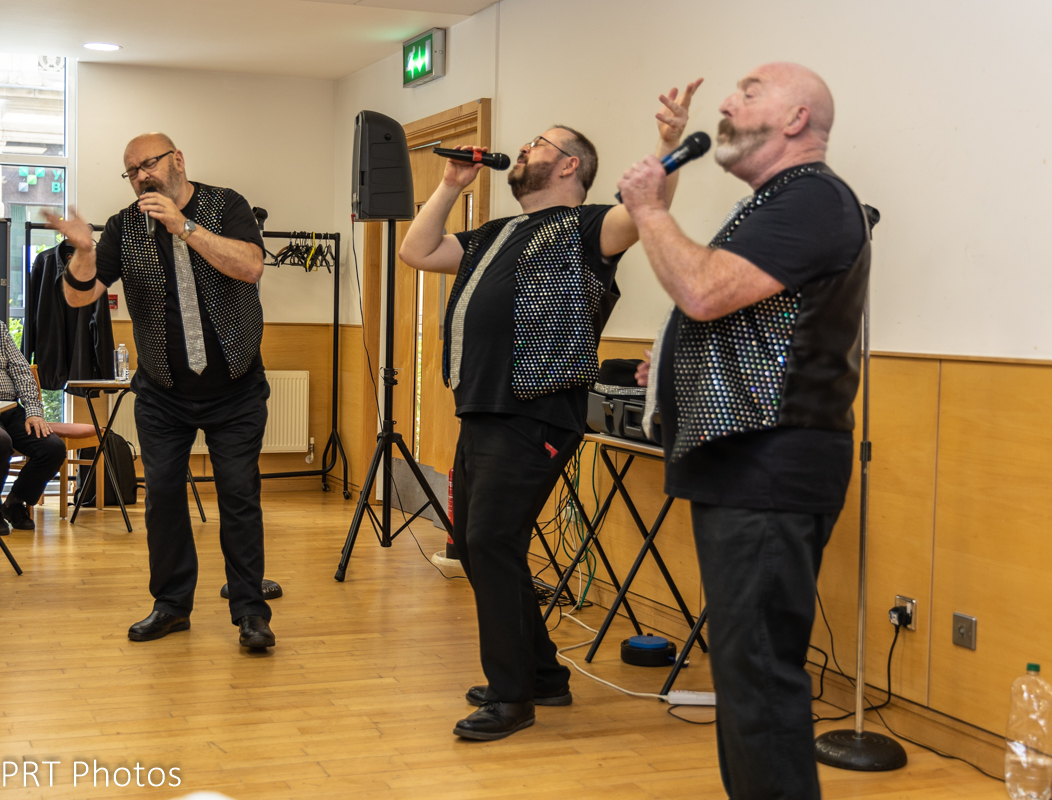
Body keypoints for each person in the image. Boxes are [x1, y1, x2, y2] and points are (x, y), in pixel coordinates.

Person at [399, 79, 702, 741]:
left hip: (535, 412)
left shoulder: (588, 228)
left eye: (538, 143)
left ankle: (511, 700)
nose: (524, 149)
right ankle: (542, 675)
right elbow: (416, 251)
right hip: (482, 409)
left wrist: (669, 143)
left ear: (569, 166)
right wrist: (449, 184)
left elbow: (646, 208)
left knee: (491, 542)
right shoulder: (495, 233)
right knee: (478, 546)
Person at [618, 63, 872, 799]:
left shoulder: (812, 198)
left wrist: (648, 208)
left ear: (796, 120)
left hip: (771, 464)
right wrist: (674, 364)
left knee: (758, 676)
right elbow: (741, 319)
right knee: (745, 673)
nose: (727, 103)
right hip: (747, 465)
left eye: (750, 92)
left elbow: (702, 290)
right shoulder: (778, 202)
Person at [46, 133, 276, 650]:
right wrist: (84, 251)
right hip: (162, 393)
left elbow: (250, 266)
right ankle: (171, 605)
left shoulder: (226, 205)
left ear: (177, 160)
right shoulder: (124, 227)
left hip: (236, 388)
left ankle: (250, 611)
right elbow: (79, 297)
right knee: (163, 499)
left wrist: (183, 226)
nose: (140, 176)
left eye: (147, 164)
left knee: (239, 496)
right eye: (131, 171)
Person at [0, 322, 66, 534]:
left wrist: (33, 410)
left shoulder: (0, 329)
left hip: (10, 408)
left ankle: (14, 502)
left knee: (52, 448)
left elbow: (21, 369)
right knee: (1, 442)